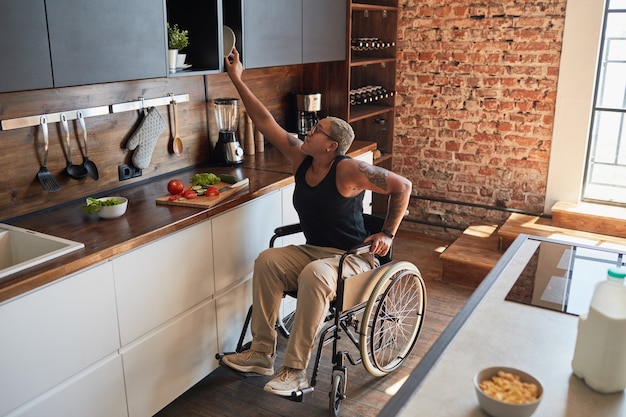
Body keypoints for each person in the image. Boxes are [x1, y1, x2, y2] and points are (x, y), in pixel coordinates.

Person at [221, 48, 412, 397]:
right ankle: (262, 353)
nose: (309, 131)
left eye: (318, 130)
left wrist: (387, 232)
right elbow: (265, 122)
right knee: (268, 260)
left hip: (353, 258)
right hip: (315, 251)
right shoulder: (301, 158)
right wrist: (237, 79)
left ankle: (295, 371)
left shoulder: (349, 168)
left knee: (313, 274)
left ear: (332, 145)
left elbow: (403, 185)